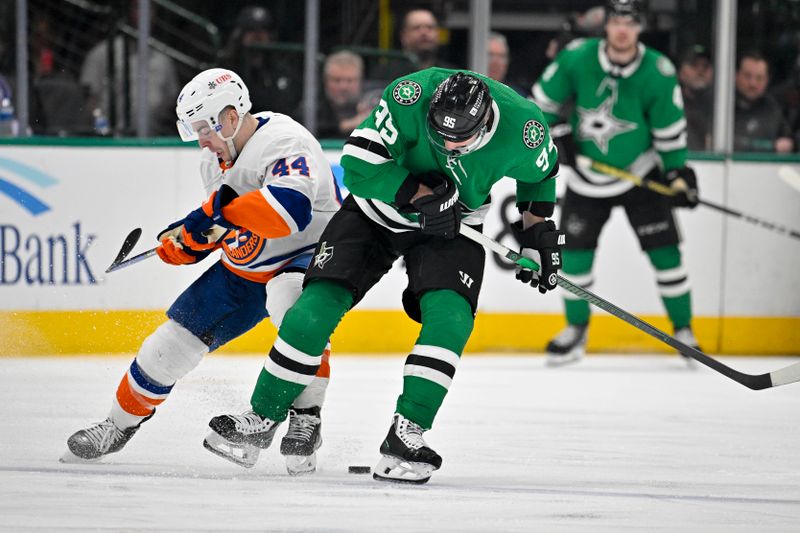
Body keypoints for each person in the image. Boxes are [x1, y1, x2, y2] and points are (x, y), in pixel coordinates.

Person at [203, 68, 563, 484]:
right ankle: (261, 417)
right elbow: (356, 165)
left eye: (458, 140)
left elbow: (540, 176)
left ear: (485, 126)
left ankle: (407, 434)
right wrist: (419, 194)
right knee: (313, 309)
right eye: (438, 135)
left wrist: (536, 234)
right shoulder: (412, 95)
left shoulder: (526, 129)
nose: (447, 145)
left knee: (451, 320)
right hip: (377, 212)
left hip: (452, 227)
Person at [64, 68, 343, 475]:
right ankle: (116, 425)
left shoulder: (285, 141)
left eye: (204, 128)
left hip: (306, 255)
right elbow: (226, 226)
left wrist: (209, 215)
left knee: (293, 306)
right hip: (245, 270)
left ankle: (306, 417)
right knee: (168, 346)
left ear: (230, 117)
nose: (201, 140)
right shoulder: (213, 161)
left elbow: (289, 214)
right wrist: (189, 244)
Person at [531, 0, 701, 366]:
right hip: (587, 178)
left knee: (666, 253)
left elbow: (670, 130)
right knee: (574, 257)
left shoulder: (658, 69)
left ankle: (684, 330)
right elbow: (540, 103)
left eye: (631, 21)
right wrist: (559, 134)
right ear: (606, 25)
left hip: (639, 173)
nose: (623, 29)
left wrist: (677, 173)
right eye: (616, 21)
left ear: (641, 27)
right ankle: (576, 330)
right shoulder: (577, 57)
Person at [80, 0, 179, 136]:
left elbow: (170, 102)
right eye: (137, 8)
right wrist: (102, 130)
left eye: (149, 9)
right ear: (127, 12)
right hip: (111, 138)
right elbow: (89, 99)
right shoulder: (103, 53)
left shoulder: (163, 60)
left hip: (153, 139)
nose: (144, 14)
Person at [220, 5, 302, 116]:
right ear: (240, 34)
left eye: (263, 29)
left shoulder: (281, 70)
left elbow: (287, 104)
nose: (258, 35)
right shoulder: (227, 71)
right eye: (251, 29)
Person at [369, 8, 458, 84]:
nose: (424, 32)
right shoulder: (384, 74)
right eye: (416, 27)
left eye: (430, 27)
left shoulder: (451, 75)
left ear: (438, 35)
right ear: (403, 36)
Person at [734, 51, 794, 153]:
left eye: (759, 78)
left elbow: (788, 142)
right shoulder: (722, 105)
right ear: (736, 76)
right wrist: (771, 147)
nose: (753, 83)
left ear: (767, 81)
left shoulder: (773, 109)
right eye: (747, 76)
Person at [306, 50, 373, 139]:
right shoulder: (312, 105)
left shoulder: (372, 102)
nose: (343, 87)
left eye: (350, 80)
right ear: (326, 81)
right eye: (336, 80)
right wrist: (348, 125)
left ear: (360, 81)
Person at [678, 45, 714, 151]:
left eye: (706, 66)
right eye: (694, 65)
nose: (700, 71)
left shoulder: (721, 107)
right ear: (680, 72)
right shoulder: (671, 105)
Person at [486, 32, 527, 96]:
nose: (496, 62)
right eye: (490, 55)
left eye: (501, 56)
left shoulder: (516, 96)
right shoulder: (467, 91)